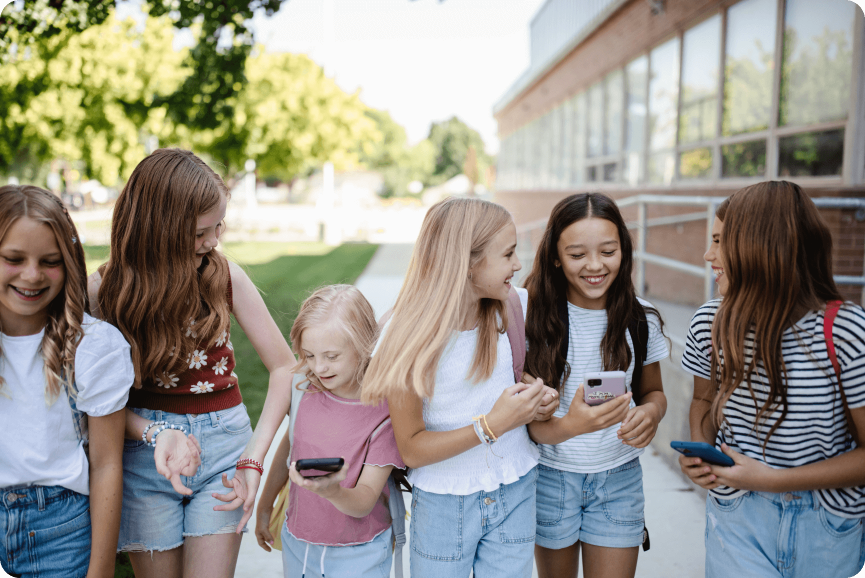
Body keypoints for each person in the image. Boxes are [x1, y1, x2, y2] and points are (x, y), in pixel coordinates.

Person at [90, 148, 296, 578]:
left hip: (224, 450)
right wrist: (156, 431)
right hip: (145, 455)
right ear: (156, 229)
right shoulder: (103, 292)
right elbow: (90, 400)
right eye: (201, 231)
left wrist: (252, 459)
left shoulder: (224, 276)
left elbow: (285, 368)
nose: (214, 241)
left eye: (218, 226)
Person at [362, 196, 559, 578]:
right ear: (468, 264)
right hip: (443, 506)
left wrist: (537, 400)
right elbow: (412, 448)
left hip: (516, 488)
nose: (518, 264)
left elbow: (511, 381)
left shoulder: (512, 306)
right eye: (508, 254)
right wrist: (492, 425)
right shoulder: (405, 335)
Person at [679, 181, 865, 578]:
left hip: (828, 524)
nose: (708, 255)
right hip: (738, 515)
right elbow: (702, 402)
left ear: (760, 247)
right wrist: (699, 450)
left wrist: (775, 479)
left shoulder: (845, 330)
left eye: (719, 241)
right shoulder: (709, 324)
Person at [523, 192, 669, 578]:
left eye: (608, 251)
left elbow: (654, 392)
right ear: (555, 255)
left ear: (623, 249)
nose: (594, 265)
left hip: (618, 479)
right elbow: (529, 426)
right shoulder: (530, 320)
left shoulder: (641, 321)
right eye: (576, 255)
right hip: (550, 478)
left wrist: (650, 414)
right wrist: (572, 425)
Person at [0, 185, 132, 577]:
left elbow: (107, 464)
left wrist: (101, 569)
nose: (32, 275)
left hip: (60, 532)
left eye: (50, 260)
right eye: (13, 258)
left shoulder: (92, 348)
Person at [255, 284, 406, 577]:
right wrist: (265, 505)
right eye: (310, 355)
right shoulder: (304, 390)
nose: (319, 368)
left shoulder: (384, 411)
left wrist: (332, 491)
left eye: (331, 356)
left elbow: (364, 500)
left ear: (364, 345)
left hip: (360, 552)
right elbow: (290, 449)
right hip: (299, 543)